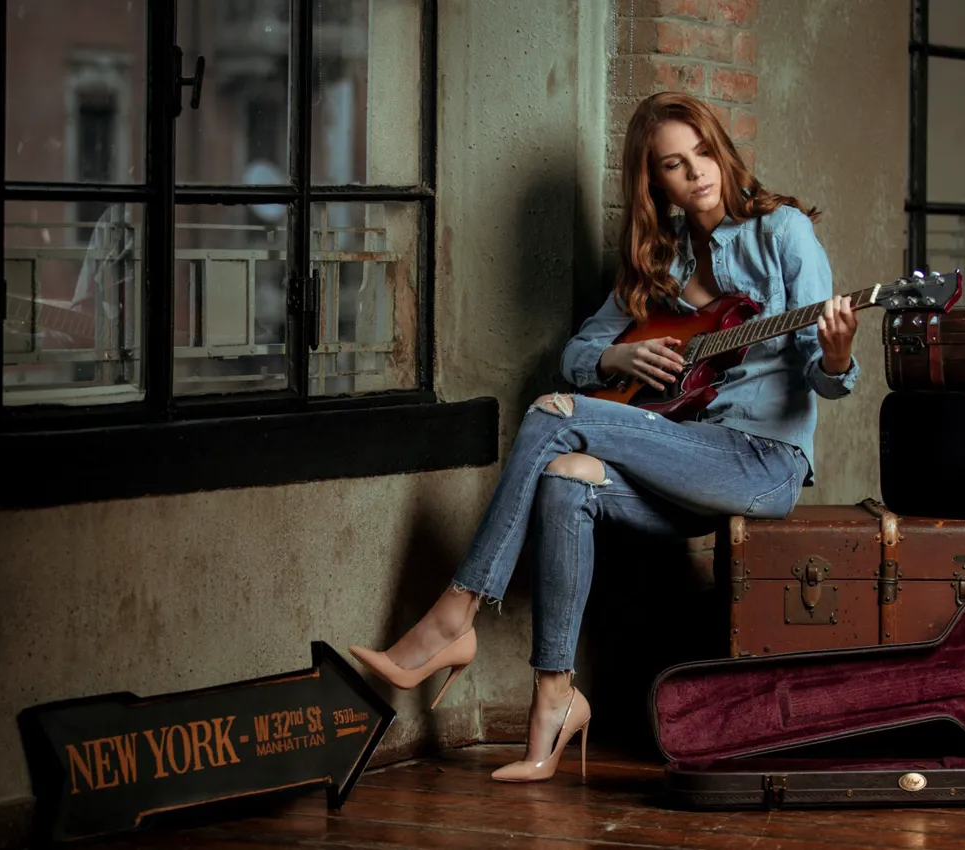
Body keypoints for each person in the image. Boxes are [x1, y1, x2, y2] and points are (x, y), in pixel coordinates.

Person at [347, 92, 861, 783]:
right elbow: (578, 352)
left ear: (723, 150)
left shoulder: (783, 233)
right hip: (677, 456)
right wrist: (614, 359)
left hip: (759, 463)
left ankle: (450, 618)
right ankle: (555, 698)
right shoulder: (663, 259)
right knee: (564, 478)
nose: (698, 174)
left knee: (554, 416)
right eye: (675, 166)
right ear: (656, 184)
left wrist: (835, 355)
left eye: (704, 153)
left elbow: (819, 376)